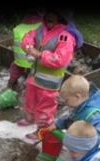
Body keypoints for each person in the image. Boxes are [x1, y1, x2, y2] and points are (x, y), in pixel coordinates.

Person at [16, 9, 83, 141]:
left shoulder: (65, 36)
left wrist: (39, 54)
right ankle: (29, 118)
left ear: (61, 17)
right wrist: (28, 46)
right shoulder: (41, 28)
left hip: (49, 83)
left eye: (54, 16)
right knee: (30, 100)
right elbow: (28, 37)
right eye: (47, 15)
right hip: (34, 76)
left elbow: (60, 59)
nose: (48, 18)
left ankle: (41, 130)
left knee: (45, 108)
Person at [54, 74, 100, 142]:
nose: (65, 104)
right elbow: (72, 119)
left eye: (66, 100)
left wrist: (79, 143)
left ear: (77, 97)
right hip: (87, 134)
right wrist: (57, 124)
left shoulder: (96, 116)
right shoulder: (82, 102)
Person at [7, 13, 44, 91]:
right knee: (33, 73)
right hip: (32, 59)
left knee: (15, 69)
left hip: (19, 60)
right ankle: (27, 88)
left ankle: (12, 82)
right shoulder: (40, 27)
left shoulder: (17, 28)